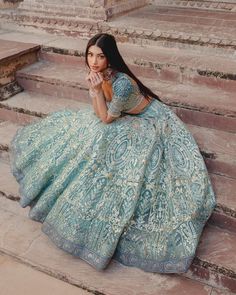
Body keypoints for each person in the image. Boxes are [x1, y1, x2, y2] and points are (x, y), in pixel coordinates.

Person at [9, 33, 216, 273]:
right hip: (123, 117)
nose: (94, 61)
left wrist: (96, 91)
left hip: (151, 121)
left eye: (100, 56)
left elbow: (106, 118)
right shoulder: (100, 75)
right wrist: (96, 90)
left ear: (111, 58)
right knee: (85, 130)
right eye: (90, 55)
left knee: (108, 141)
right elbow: (100, 114)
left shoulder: (123, 83)